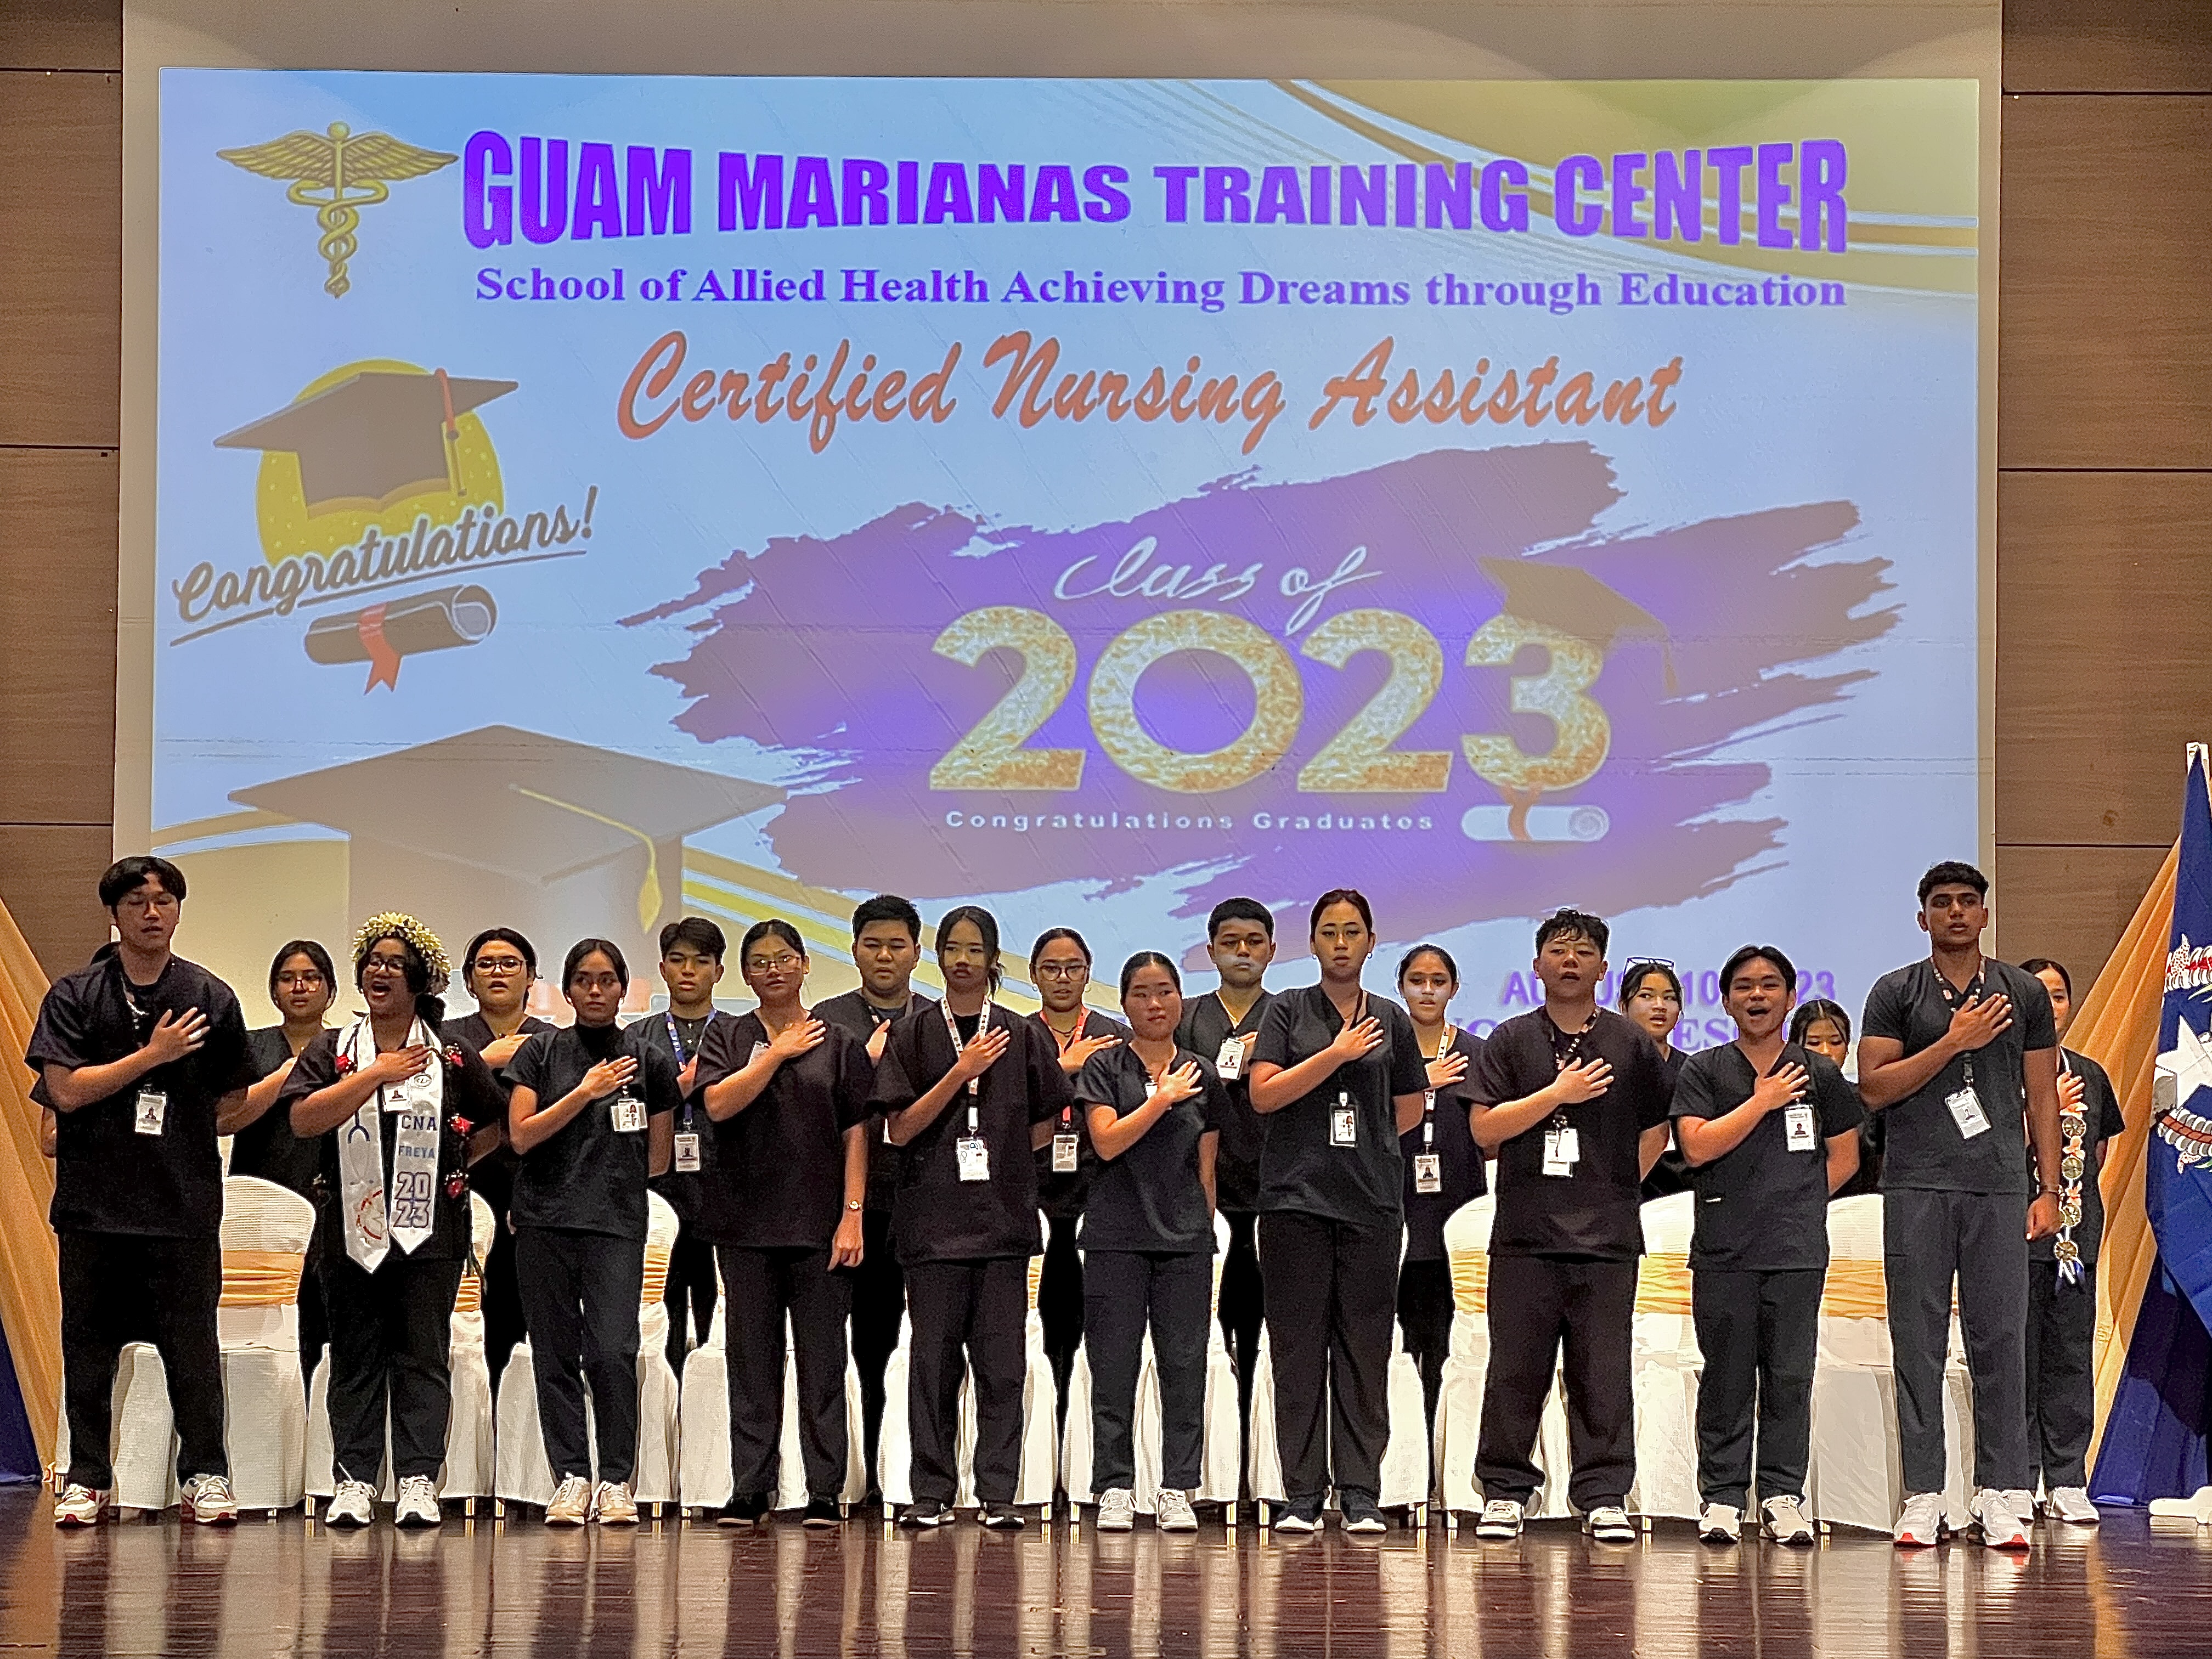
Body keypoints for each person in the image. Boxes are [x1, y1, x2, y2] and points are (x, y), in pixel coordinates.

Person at [31, 855, 256, 1527]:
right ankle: (90, 1478)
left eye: (164, 901)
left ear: (179, 911)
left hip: (181, 1209)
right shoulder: (75, 994)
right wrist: (151, 1059)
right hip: (94, 1207)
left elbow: (233, 1098)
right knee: (89, 1349)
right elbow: (66, 1091)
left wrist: (177, 1126)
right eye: (137, 902)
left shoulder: (209, 996)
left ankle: (207, 1476)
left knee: (192, 1351)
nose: (152, 912)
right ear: (116, 912)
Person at [1857, 861, 2063, 1550]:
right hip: (1916, 1184)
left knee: (2001, 1341)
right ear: (1923, 918)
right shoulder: (1895, 992)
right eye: (1941, 903)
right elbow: (1874, 1089)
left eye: (1967, 902)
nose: (1954, 913)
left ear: (1984, 915)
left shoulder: (2023, 992)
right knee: (1917, 1342)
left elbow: (2042, 1095)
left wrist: (2049, 1187)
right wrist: (1954, 1041)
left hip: (1999, 1184)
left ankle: (2001, 1491)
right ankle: (1924, 1494)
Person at [283, 914, 506, 1528]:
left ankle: (416, 1479)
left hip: (430, 1234)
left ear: (419, 981)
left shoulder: (451, 1054)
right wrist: (376, 1075)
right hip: (349, 1233)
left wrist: (455, 1167)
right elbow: (303, 1120)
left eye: (393, 964)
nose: (380, 972)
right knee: (355, 1354)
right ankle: (354, 1479)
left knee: (422, 1355)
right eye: (372, 962)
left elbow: (496, 1122)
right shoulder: (335, 1050)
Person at [1466, 909, 1672, 1545]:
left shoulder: (1630, 1042)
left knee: (1602, 1372)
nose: (1571, 960)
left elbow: (1656, 1132)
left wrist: (1613, 1190)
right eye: (1559, 950)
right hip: (1525, 1237)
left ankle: (1604, 1493)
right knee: (1515, 1370)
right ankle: (1505, 1492)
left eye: (1585, 952)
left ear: (1604, 970)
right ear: (1537, 966)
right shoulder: (1508, 1039)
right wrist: (1556, 1095)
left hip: (1606, 1239)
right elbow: (1484, 1130)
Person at [873, 906, 1070, 1530]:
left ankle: (998, 1493)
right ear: (938, 956)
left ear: (992, 960)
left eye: (974, 949)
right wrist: (961, 1074)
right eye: (952, 948)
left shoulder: (1021, 1032)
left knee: (1001, 1365)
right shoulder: (914, 1033)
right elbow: (899, 1129)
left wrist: (1005, 1153)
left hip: (1004, 1223)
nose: (962, 959)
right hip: (932, 1225)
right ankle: (930, 1491)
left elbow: (1048, 1123)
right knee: (931, 1363)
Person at [1248, 889, 1428, 1534]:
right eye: (1329, 931)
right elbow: (1264, 1095)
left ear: (1372, 942)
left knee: (1363, 1349)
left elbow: (1408, 1108)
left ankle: (1359, 1492)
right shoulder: (1288, 1011)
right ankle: (1301, 1494)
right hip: (1295, 1202)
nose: (1342, 942)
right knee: (1298, 1348)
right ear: (1314, 943)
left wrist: (1370, 1147)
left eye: (1354, 931)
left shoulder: (1392, 1018)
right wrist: (1335, 1056)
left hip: (1372, 1204)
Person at [1672, 945, 1863, 1546]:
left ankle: (1783, 1496)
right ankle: (1723, 1497)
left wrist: (1798, 1202)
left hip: (1796, 1250)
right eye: (1746, 987)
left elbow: (1846, 1157)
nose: (1758, 996)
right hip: (1725, 1249)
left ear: (1789, 995)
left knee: (1788, 1377)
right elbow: (1697, 1146)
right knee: (1726, 1378)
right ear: (1726, 1000)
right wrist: (1762, 1100)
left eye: (1770, 985)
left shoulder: (1821, 1073)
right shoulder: (1704, 1071)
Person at [693, 920, 870, 1526]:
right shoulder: (729, 1034)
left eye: (785, 958)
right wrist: (774, 1056)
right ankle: (752, 1487)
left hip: (821, 1226)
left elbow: (856, 1133)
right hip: (744, 1223)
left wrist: (852, 1216)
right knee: (752, 1361)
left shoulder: (839, 1041)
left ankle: (824, 1488)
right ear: (745, 974)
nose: (773, 969)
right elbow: (717, 1103)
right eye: (760, 961)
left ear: (804, 966)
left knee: (823, 1359)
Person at [504, 938, 680, 1526]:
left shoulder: (649, 1058)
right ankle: (571, 1476)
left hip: (615, 1224)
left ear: (624, 987)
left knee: (612, 1350)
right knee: (554, 1353)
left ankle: (616, 1480)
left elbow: (659, 1157)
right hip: (543, 1221)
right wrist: (586, 1093)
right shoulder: (540, 1052)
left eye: (608, 980)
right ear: (567, 988)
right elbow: (522, 1135)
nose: (597, 991)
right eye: (584, 980)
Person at [1075, 952, 1221, 1534]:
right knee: (1114, 1365)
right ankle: (1114, 1484)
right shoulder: (1106, 1067)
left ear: (1180, 998)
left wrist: (1202, 1226)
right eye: (1140, 993)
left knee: (1184, 1366)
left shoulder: (1203, 1072)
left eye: (1164, 992)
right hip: (1115, 1236)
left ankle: (1177, 1487)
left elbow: (1207, 1166)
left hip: (1185, 1240)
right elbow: (1106, 1142)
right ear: (1125, 1002)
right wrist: (1160, 1098)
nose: (1154, 1004)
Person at [814, 894, 934, 1505]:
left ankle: (910, 1473)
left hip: (923, 1202)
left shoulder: (939, 1021)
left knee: (924, 1343)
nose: (884, 956)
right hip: (850, 1207)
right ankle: (856, 1475)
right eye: (872, 944)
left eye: (897, 945)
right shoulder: (827, 1021)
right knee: (861, 1341)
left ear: (917, 952)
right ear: (854, 949)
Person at [2013, 956, 2125, 1527]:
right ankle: (2018, 1476)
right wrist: (2043, 1107)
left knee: (2068, 1358)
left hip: (2073, 1240)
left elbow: (2098, 1156)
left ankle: (2066, 1478)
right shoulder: (1994, 1073)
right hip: (2011, 1236)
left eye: (2058, 996)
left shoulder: (2091, 1072)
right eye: (2036, 995)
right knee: (2018, 1358)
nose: (2048, 1007)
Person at [1173, 898, 1277, 1498]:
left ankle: (1257, 1471)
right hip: (1199, 1199)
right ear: (1210, 950)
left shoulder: (1290, 1016)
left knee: (1263, 1333)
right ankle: (1209, 1472)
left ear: (1271, 949)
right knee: (1209, 1337)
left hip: (1272, 1195)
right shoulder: (1185, 1018)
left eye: (1254, 940)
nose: (1243, 950)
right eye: (1231, 941)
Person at [447, 927, 557, 1392]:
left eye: (510, 964)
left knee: (526, 1316)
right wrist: (483, 1060)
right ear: (469, 981)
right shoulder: (447, 1039)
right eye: (485, 965)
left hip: (534, 1191)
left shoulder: (555, 1041)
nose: (498, 973)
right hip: (463, 1188)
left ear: (531, 976)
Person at [1027, 927, 1126, 1433]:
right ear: (1033, 974)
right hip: (1034, 1195)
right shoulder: (1018, 1035)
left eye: (1073, 968)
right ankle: (1045, 1435)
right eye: (1050, 968)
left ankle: (1085, 1438)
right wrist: (1060, 1068)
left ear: (1088, 973)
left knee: (1097, 1327)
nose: (1062, 978)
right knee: (1040, 1329)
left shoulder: (1115, 1035)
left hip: (1100, 1192)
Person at [626, 917, 732, 1375]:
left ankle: (713, 1406)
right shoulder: (635, 1037)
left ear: (719, 972)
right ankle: (663, 1404)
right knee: (659, 1298)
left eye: (701, 961)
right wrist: (677, 1088)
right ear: (663, 970)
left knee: (719, 1302)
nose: (688, 970)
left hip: (724, 1181)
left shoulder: (738, 1032)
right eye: (677, 960)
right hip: (657, 1185)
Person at [230, 940, 338, 1387]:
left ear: (330, 992)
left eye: (312, 978)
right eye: (288, 978)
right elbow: (227, 1119)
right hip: (261, 1190)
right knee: (264, 1319)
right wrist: (284, 1076)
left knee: (327, 1318)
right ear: (274, 992)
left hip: (332, 1197)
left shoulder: (347, 1048)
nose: (300, 987)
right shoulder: (251, 1047)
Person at [1395, 944, 1486, 1468]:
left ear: (1453, 989)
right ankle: (1404, 1466)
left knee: (1449, 1345)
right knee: (1402, 1347)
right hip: (1398, 1206)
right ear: (1401, 986)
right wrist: (1420, 1083)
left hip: (1457, 1208)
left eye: (1438, 981)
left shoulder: (1477, 1050)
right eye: (1417, 980)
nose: (1427, 990)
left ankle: (1445, 1462)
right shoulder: (1383, 1047)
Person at [1793, 998, 1883, 1197]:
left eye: (1835, 1042)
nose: (1826, 1051)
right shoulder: (1778, 1101)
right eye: (1814, 1043)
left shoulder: (1870, 1100)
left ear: (1848, 1048)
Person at [1621, 959, 1692, 1198]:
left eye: (1669, 998)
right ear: (1623, 1007)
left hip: (1683, 1195)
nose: (1659, 1006)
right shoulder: (1608, 1069)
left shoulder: (1693, 1070)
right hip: (1621, 1197)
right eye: (1647, 996)